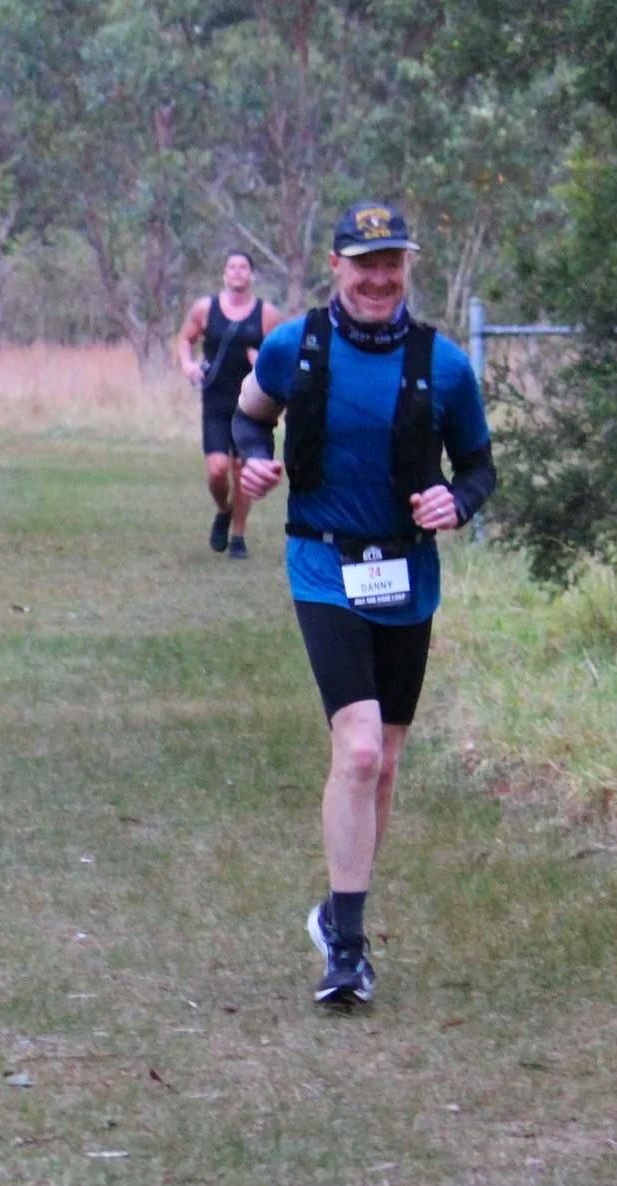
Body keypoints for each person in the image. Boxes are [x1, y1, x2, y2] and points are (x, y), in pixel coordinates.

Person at [230, 202, 496, 1007]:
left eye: (393, 262)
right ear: (336, 266)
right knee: (359, 752)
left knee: (384, 763)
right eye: (364, 263)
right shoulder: (294, 346)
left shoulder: (443, 366)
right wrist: (251, 464)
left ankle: (337, 911)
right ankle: (346, 951)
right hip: (322, 565)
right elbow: (247, 418)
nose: (379, 277)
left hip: (406, 574)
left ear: (407, 267)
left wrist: (458, 501)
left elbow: (479, 467)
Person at [178, 251, 279, 559]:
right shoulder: (205, 308)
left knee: (242, 468)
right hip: (216, 400)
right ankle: (223, 510)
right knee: (218, 469)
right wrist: (188, 365)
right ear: (224, 274)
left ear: (252, 275)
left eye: (243, 267)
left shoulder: (266, 314)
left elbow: (280, 356)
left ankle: (238, 535)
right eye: (232, 267)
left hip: (251, 403)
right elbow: (185, 339)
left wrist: (261, 361)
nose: (237, 272)